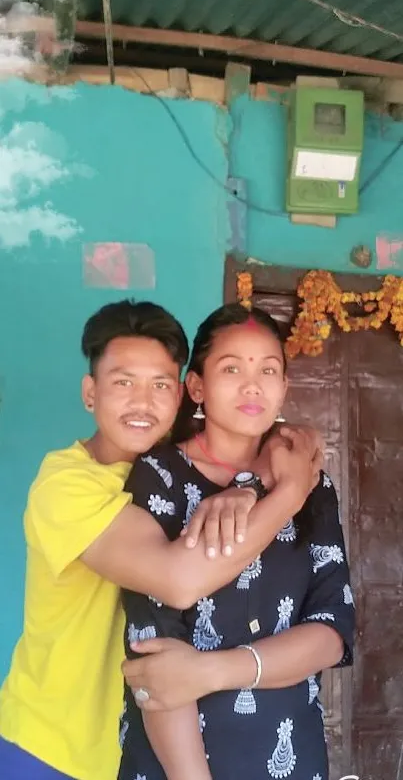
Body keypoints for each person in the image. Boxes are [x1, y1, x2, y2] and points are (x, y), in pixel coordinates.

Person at [0, 300, 321, 780]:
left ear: (183, 394)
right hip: (54, 748)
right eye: (123, 382)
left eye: (160, 385)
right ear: (91, 393)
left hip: (137, 754)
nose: (142, 403)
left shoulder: (177, 471)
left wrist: (257, 473)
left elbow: (287, 435)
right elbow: (177, 580)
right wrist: (289, 491)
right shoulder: (68, 483)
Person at [119, 303, 355, 780]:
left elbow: (333, 630)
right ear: (197, 387)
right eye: (232, 368)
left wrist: (216, 670)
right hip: (179, 765)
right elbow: (155, 660)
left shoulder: (311, 486)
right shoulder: (158, 477)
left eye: (269, 370)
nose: (253, 385)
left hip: (292, 755)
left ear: (285, 387)